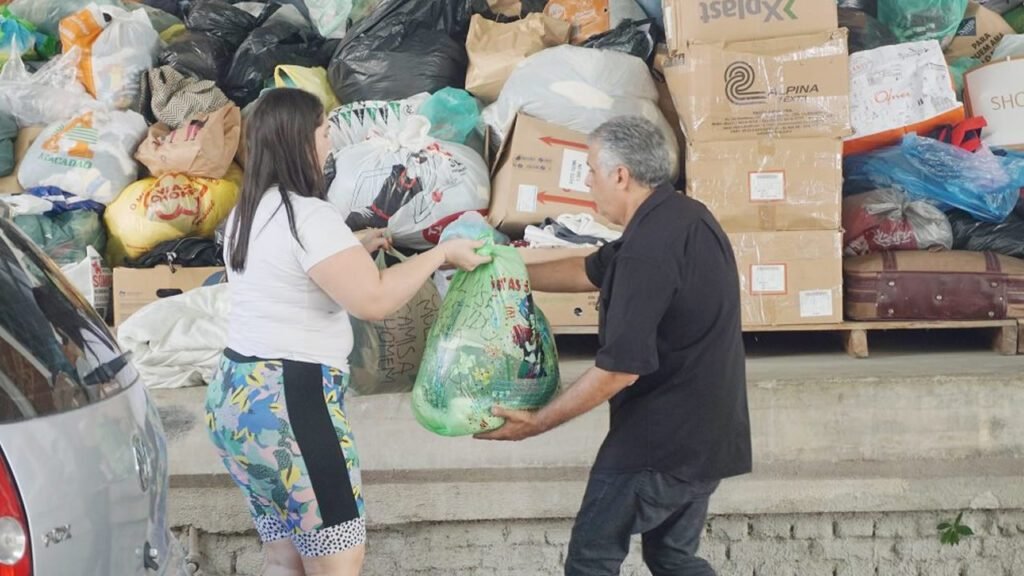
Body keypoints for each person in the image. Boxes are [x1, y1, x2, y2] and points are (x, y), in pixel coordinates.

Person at [204, 88, 490, 576]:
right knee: (338, 559)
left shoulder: (246, 214)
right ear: (299, 141)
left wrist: (352, 245)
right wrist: (441, 254)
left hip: (234, 402)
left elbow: (291, 271)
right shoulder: (310, 216)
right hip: (291, 406)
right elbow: (373, 300)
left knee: (285, 553)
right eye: (321, 130)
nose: (329, 140)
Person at [477, 116, 752, 576]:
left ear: (620, 175)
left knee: (591, 560)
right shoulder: (682, 217)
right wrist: (500, 273)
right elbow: (586, 270)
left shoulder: (650, 247)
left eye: (590, 170)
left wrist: (538, 423)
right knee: (672, 557)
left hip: (660, 444)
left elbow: (620, 370)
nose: (587, 183)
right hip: (709, 439)